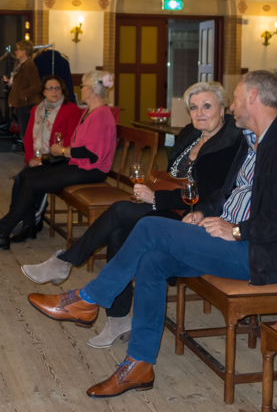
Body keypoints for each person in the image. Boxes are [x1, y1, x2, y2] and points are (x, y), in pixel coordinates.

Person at [27, 71, 277, 398]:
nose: (232, 106)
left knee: (149, 227)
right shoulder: (249, 141)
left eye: (236, 99)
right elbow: (225, 195)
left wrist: (238, 229)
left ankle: (88, 299)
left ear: (253, 97)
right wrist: (203, 212)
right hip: (225, 238)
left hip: (261, 252)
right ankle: (139, 364)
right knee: (152, 261)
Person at [22, 81, 243, 349]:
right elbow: (172, 176)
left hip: (193, 218)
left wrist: (156, 198)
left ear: (222, 108)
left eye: (207, 106)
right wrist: (155, 194)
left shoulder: (230, 143)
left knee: (120, 209)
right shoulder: (190, 134)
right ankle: (117, 318)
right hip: (169, 206)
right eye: (194, 107)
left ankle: (66, 262)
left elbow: (212, 197)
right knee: (119, 232)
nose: (200, 113)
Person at [0, 70, 118, 251]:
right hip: (78, 164)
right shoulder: (91, 111)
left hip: (91, 170)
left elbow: (92, 154)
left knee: (33, 183)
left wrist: (62, 151)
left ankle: (1, 232)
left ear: (90, 90)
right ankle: (19, 228)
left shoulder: (100, 115)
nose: (80, 89)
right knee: (27, 176)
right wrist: (50, 156)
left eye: (82, 86)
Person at [17, 74, 82, 231]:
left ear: (62, 90)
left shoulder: (71, 109)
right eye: (50, 88)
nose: (54, 91)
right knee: (21, 178)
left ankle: (31, 222)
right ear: (44, 92)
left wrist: (44, 159)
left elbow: (70, 141)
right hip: (38, 157)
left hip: (58, 159)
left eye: (57, 88)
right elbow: (28, 138)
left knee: (33, 178)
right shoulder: (37, 109)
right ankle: (23, 218)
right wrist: (30, 159)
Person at [7, 39, 43, 140]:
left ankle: (28, 151)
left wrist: (22, 95)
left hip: (27, 104)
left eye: (18, 49)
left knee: (26, 135)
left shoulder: (29, 65)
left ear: (24, 51)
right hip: (22, 104)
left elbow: (36, 85)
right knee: (25, 134)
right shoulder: (21, 65)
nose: (15, 52)